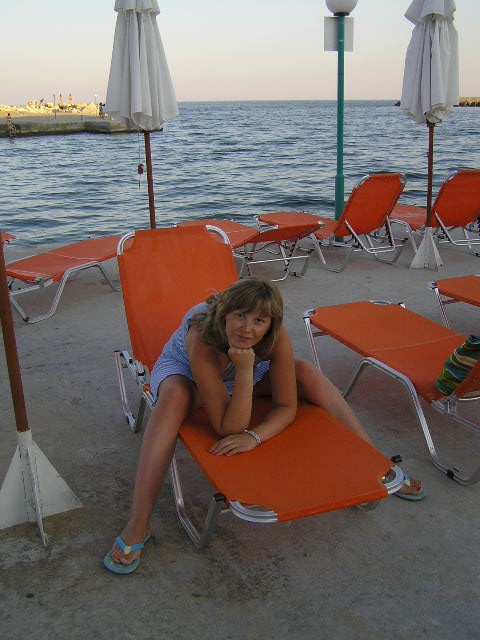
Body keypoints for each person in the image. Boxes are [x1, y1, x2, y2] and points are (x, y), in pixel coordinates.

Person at [104, 278, 424, 574]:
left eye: (259, 320)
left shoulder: (274, 335)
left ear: (270, 323)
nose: (247, 329)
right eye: (240, 316)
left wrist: (254, 435)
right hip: (189, 377)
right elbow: (226, 426)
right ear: (225, 314)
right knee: (174, 398)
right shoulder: (201, 336)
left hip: (245, 373)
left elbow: (286, 406)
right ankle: (139, 520)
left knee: (306, 372)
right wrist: (244, 374)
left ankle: (377, 465)